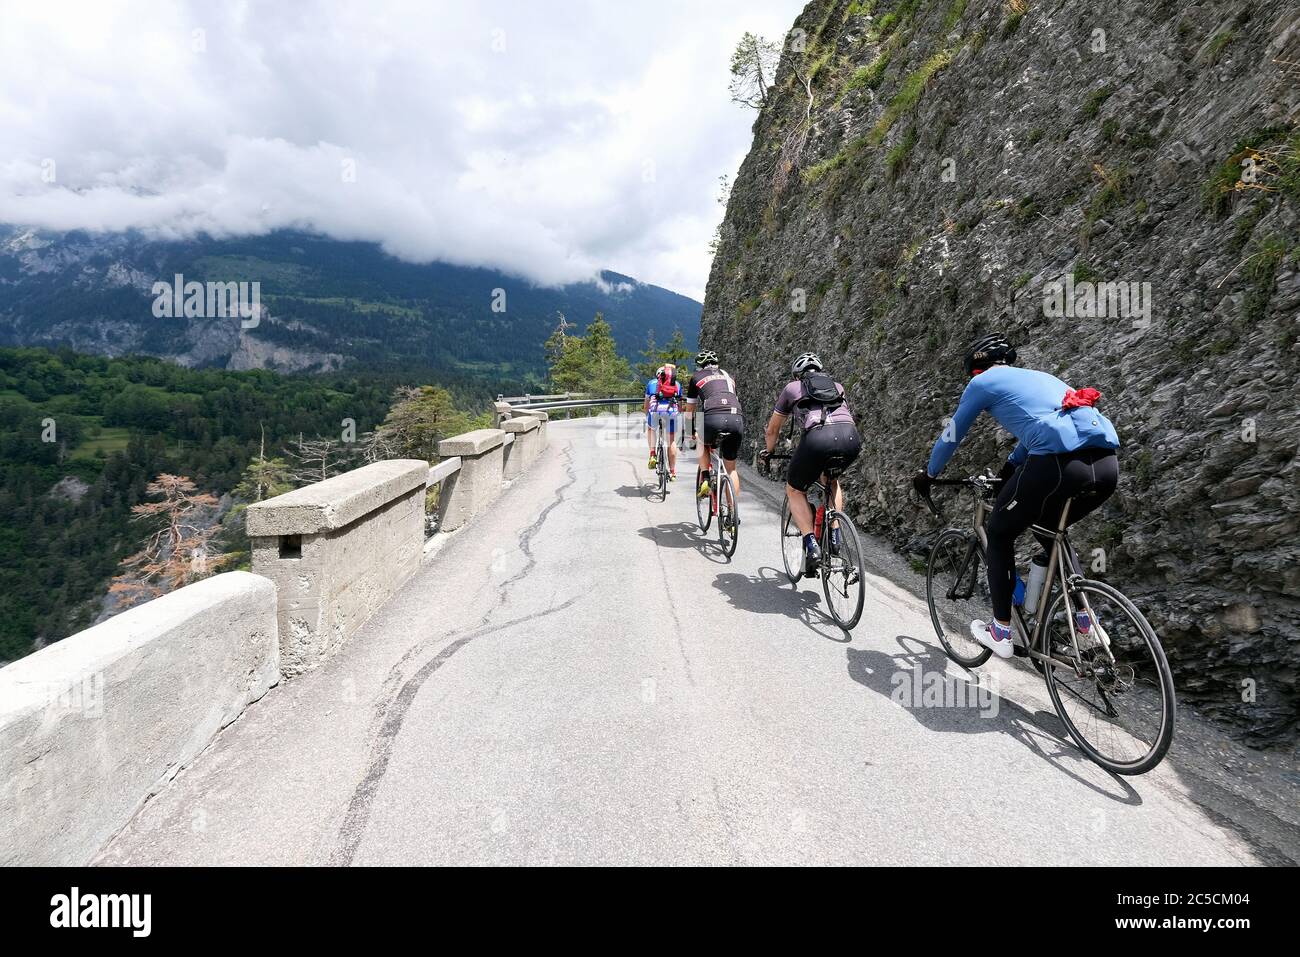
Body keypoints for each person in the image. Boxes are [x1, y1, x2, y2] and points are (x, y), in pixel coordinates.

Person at [914, 333, 1120, 659]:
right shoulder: (1042, 378)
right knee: (1049, 527)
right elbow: (1042, 427)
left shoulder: (983, 383)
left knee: (998, 532)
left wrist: (930, 473)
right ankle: (1087, 622)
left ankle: (1001, 630)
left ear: (975, 369)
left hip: (1056, 465)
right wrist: (1009, 470)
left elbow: (952, 433)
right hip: (1106, 465)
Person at [759, 352, 862, 574]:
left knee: (795, 489)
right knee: (832, 481)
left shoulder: (791, 388)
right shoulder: (837, 386)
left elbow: (773, 429)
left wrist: (769, 452)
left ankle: (811, 544)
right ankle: (835, 534)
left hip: (818, 439)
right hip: (851, 437)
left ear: (798, 375)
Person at [685, 349, 743, 518]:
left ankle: (705, 478)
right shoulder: (728, 376)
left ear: (699, 366)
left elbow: (690, 410)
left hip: (713, 416)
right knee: (731, 468)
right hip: (736, 418)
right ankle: (733, 513)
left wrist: (690, 433)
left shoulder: (696, 377)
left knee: (701, 441)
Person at [644, 364, 683, 479]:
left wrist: (647, 415)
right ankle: (672, 472)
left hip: (655, 411)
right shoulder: (677, 384)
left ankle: (652, 454)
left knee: (651, 429)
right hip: (671, 412)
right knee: (671, 441)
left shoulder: (651, 383)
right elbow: (680, 406)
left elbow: (646, 404)